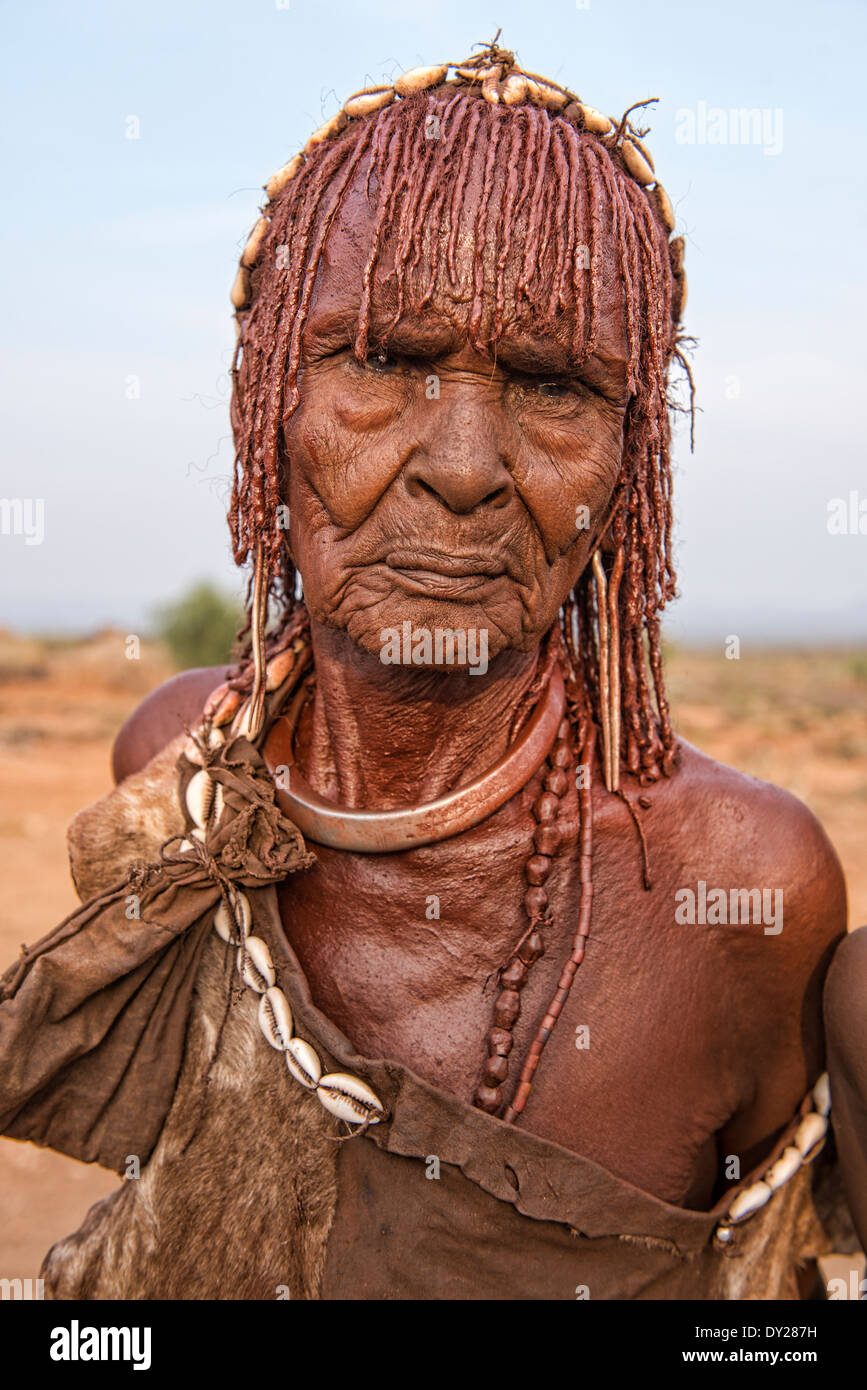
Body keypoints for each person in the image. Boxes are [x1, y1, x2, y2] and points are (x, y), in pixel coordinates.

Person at [1, 40, 861, 1300]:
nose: (463, 464)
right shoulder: (185, 779)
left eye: (556, 384)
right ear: (265, 408)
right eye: (385, 361)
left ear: (632, 472)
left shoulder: (744, 899)